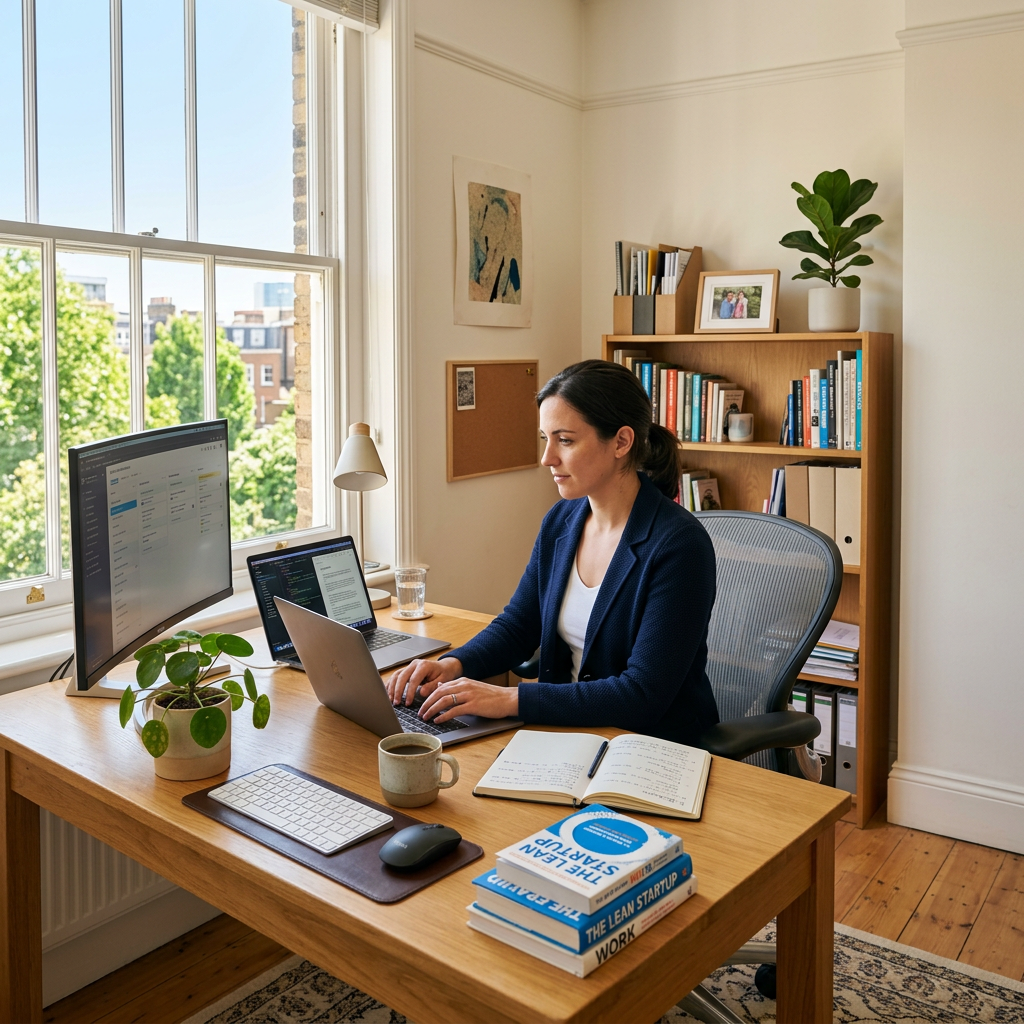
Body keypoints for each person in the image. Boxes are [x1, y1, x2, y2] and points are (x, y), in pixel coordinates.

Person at [386, 359, 720, 747]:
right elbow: (518, 625)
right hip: (568, 736)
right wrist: (452, 665)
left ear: (621, 442)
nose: (547, 458)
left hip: (651, 748)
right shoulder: (562, 521)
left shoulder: (679, 545)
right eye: (546, 439)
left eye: (565, 440)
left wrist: (510, 698)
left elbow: (641, 695)